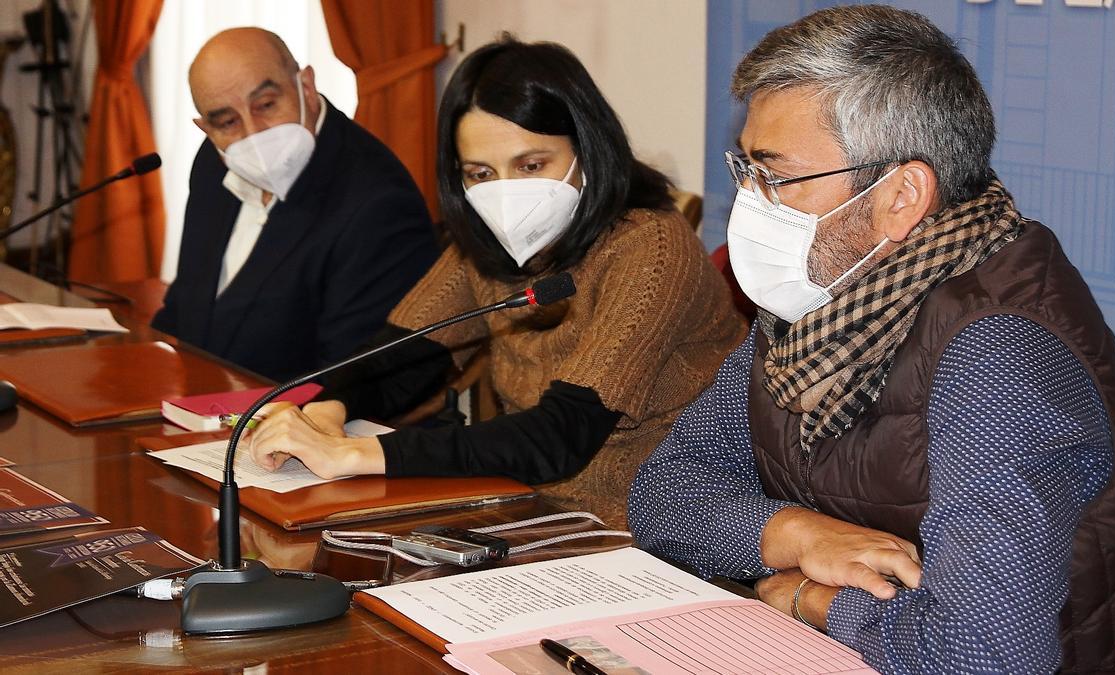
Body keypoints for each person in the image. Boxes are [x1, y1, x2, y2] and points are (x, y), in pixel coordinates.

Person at [627, 6, 1115, 674]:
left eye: (777, 177)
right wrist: (794, 533)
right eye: (746, 170)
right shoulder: (814, 306)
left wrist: (811, 598)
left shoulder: (1003, 353)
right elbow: (662, 491)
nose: (750, 202)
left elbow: (981, 656)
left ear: (901, 196)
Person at [245, 37, 745, 529]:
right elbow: (402, 361)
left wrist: (355, 453)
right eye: (480, 173)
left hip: (652, 527)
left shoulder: (651, 246)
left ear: (587, 149)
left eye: (531, 165)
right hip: (528, 509)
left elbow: (559, 439)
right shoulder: (487, 245)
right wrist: (332, 408)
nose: (505, 193)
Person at [152, 28, 437, 382]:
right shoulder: (214, 162)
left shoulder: (378, 203)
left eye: (267, 105)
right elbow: (187, 304)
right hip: (195, 405)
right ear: (206, 128)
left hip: (296, 421)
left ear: (305, 87)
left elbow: (351, 376)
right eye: (227, 122)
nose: (253, 133)